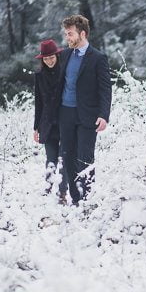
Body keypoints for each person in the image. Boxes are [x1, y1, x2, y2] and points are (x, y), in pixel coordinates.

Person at [57, 15, 112, 205]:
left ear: (82, 33)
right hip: (66, 114)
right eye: (66, 34)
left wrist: (104, 115)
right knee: (68, 156)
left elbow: (105, 88)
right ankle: (75, 199)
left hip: (88, 116)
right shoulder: (64, 55)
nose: (67, 38)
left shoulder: (98, 58)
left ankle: (88, 199)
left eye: (70, 34)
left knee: (85, 158)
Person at [33, 39, 68, 204]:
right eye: (46, 58)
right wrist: (36, 128)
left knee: (64, 159)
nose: (49, 60)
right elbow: (38, 102)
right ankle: (48, 187)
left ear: (57, 55)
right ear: (42, 59)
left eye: (51, 57)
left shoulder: (66, 71)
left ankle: (62, 192)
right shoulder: (39, 76)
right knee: (50, 158)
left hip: (65, 121)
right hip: (47, 124)